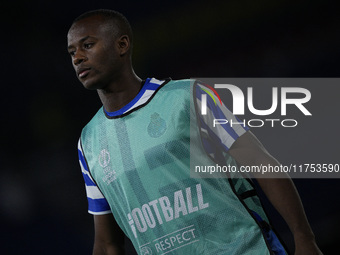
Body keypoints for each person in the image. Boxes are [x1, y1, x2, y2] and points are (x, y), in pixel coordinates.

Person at [67, 9, 323, 255]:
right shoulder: (88, 142)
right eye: (72, 52)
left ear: (122, 45)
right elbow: (107, 244)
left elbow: (260, 162)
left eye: (87, 45)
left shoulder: (187, 96)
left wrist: (305, 239)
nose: (77, 57)